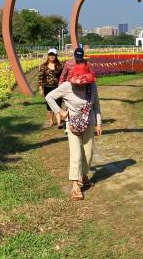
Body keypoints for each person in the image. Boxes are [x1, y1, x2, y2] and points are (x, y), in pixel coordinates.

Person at [45, 62, 102, 201]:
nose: (81, 84)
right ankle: (75, 186)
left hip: (89, 123)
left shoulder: (92, 86)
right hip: (72, 125)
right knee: (76, 155)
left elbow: (96, 105)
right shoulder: (66, 86)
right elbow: (49, 97)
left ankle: (83, 176)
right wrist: (60, 112)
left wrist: (99, 123)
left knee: (88, 155)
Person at [38, 48, 63, 128]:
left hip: (57, 88)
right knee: (49, 106)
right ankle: (51, 121)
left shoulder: (60, 66)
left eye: (53, 55)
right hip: (47, 88)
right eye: (50, 55)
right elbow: (40, 78)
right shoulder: (43, 66)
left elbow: (63, 76)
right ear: (48, 56)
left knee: (58, 104)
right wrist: (40, 88)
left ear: (56, 56)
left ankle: (59, 123)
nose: (52, 56)